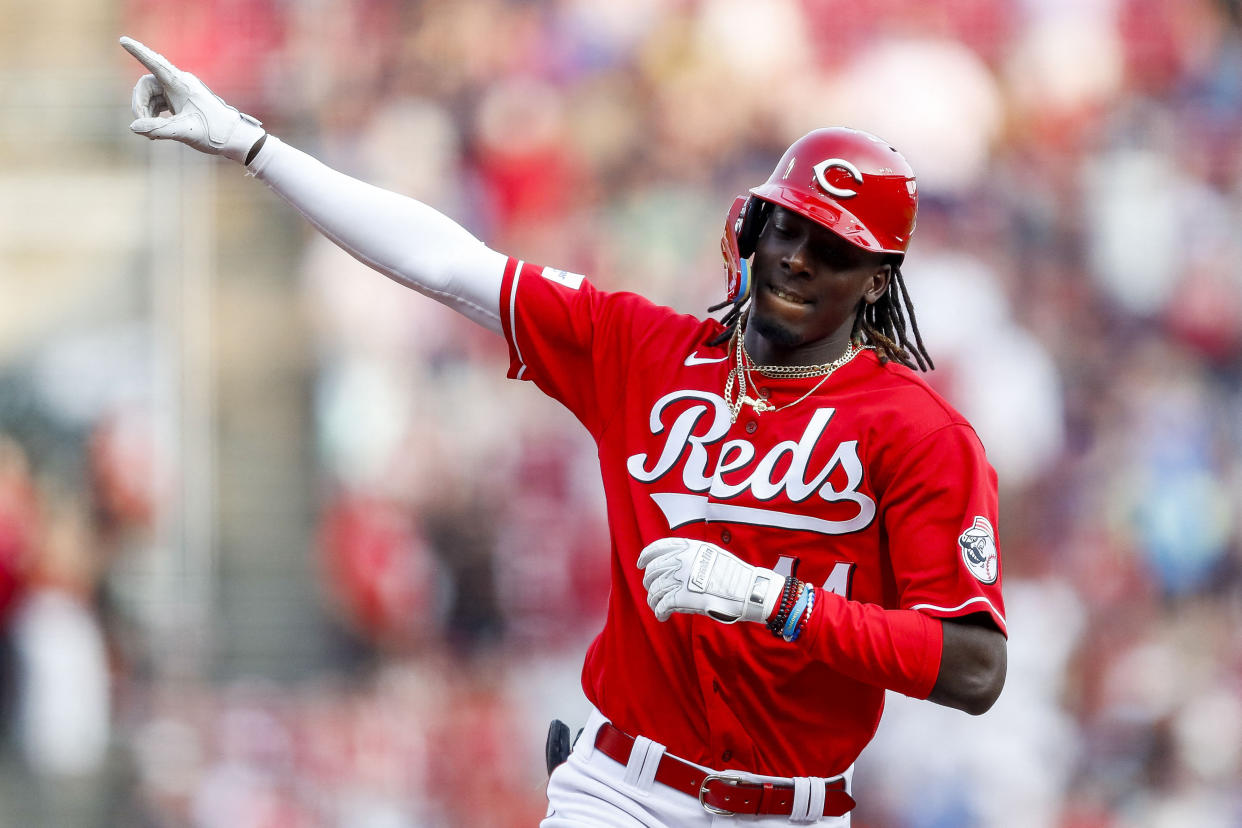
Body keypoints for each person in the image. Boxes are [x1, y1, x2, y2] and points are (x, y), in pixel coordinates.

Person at [120, 35, 1007, 827]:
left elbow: (973, 670)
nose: (799, 257)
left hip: (798, 810)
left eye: (836, 248)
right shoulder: (642, 349)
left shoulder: (919, 432)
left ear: (878, 278)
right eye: (789, 226)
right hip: (623, 791)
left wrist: (774, 602)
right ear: (749, 224)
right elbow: (448, 263)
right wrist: (252, 144)